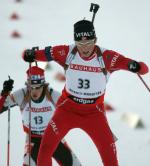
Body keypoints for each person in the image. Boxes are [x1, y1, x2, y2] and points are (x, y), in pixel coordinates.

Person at [22, 20, 149, 166]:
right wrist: (30, 54)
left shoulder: (107, 57)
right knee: (44, 150)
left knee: (110, 159)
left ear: (95, 40)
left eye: (89, 43)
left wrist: (136, 66)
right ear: (75, 42)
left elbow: (144, 69)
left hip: (94, 113)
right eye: (80, 44)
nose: (85, 48)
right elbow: (42, 54)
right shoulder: (66, 52)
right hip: (67, 109)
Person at [0, 66, 81, 166]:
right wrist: (4, 94)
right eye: (31, 87)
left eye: (38, 87)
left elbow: (73, 109)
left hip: (53, 136)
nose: (34, 91)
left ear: (44, 85)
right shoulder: (21, 94)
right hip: (33, 139)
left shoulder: (52, 95)